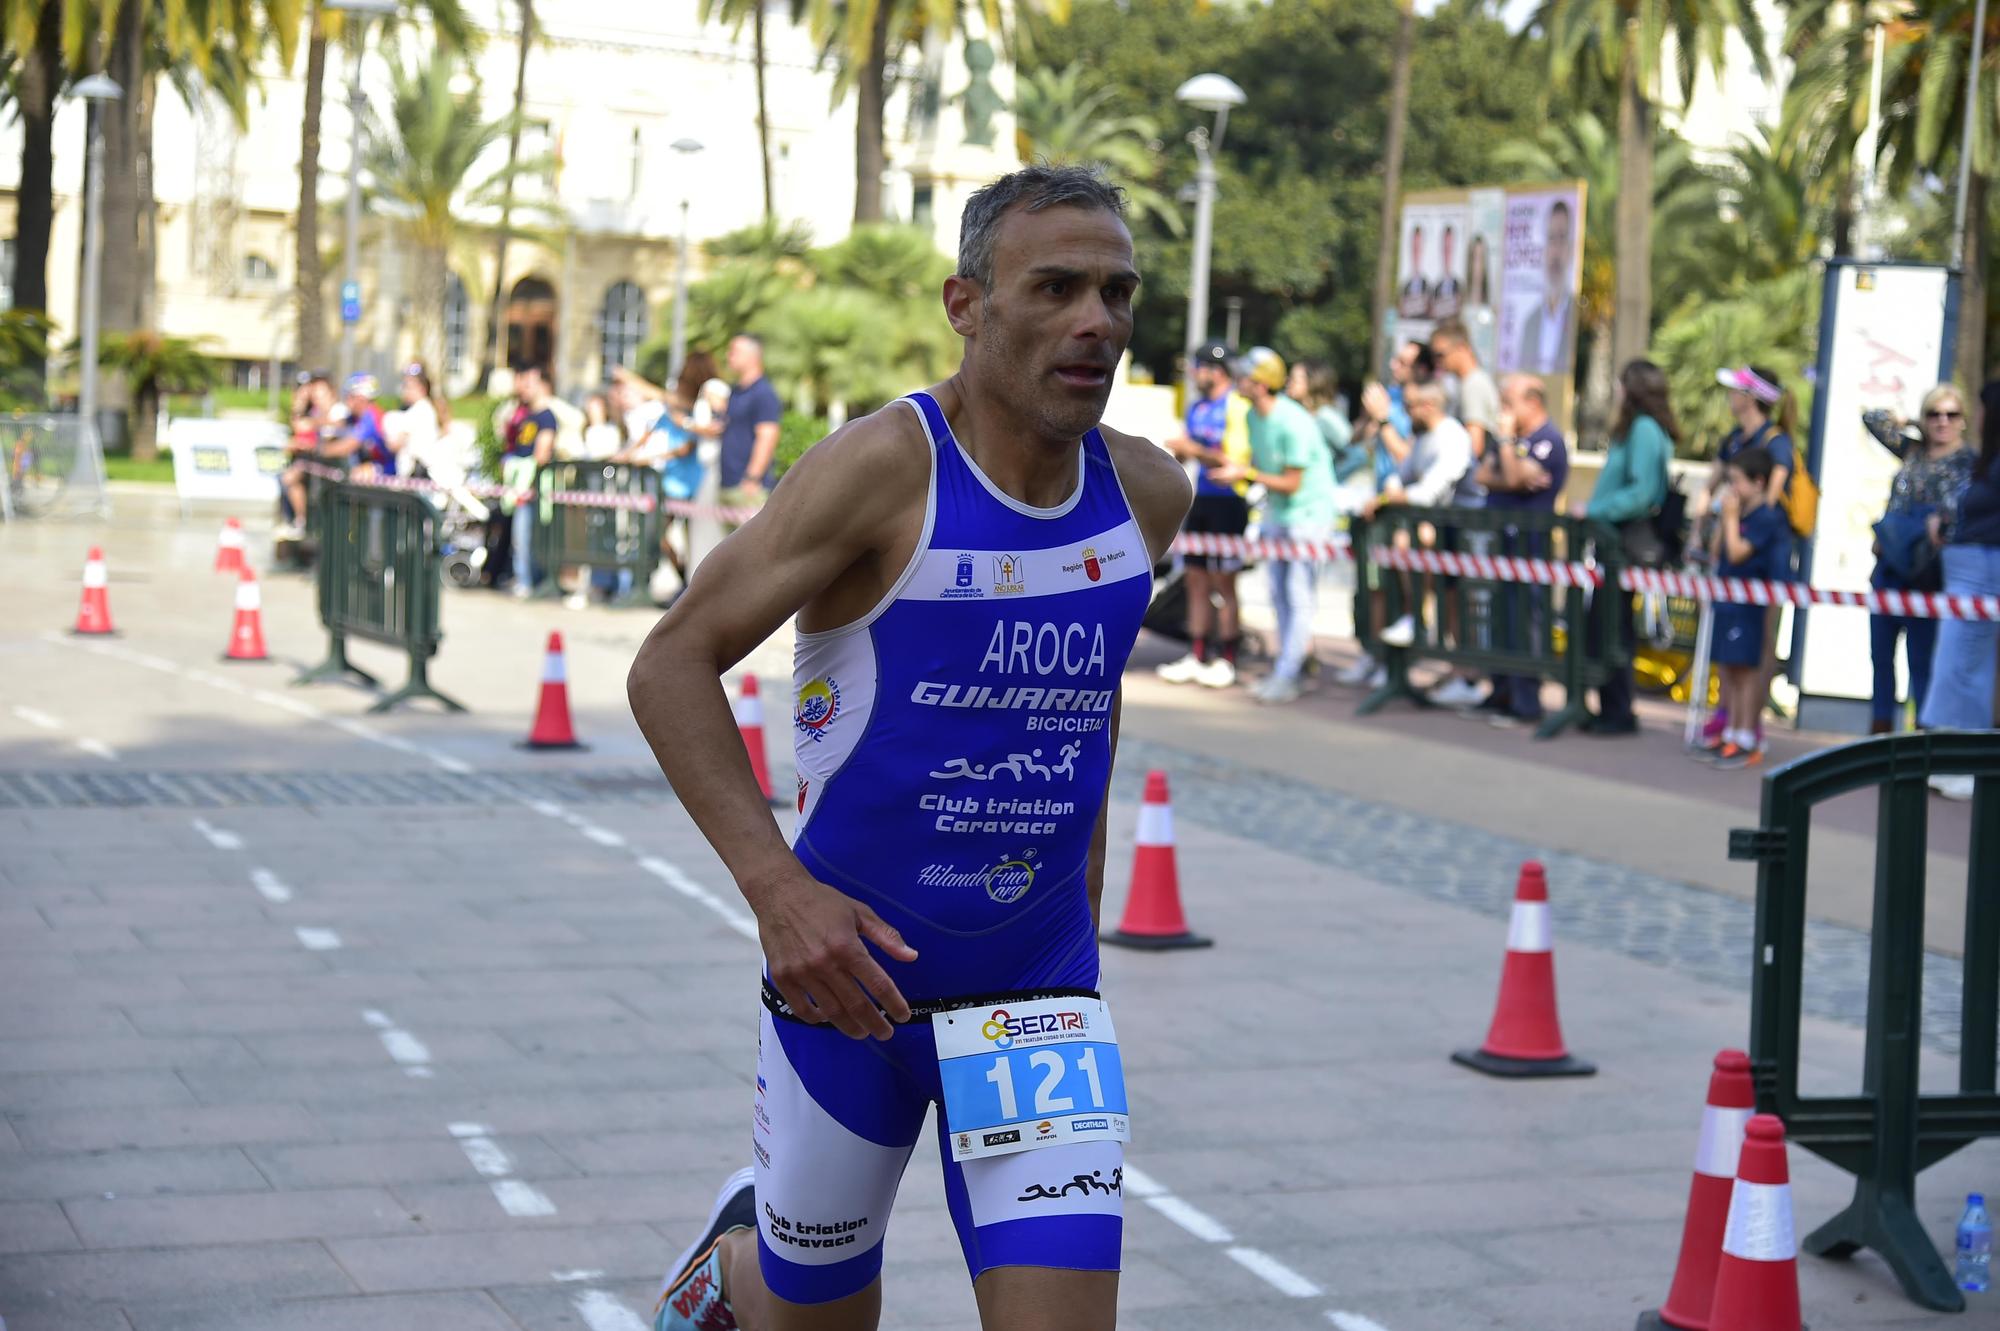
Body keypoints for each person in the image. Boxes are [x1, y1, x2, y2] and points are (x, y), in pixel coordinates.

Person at [629, 164, 1190, 1331]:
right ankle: (732, 1269)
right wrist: (778, 892)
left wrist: (1077, 926)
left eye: (1116, 292)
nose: (1096, 320)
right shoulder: (885, 468)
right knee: (809, 1318)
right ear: (966, 304)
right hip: (848, 990)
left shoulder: (1145, 492)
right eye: (1055, 288)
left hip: (1036, 997)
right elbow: (671, 661)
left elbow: (1085, 701)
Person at [1209, 346, 1338, 704]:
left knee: (1297, 596)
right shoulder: (1252, 416)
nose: (1237, 381)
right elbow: (1259, 470)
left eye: (1245, 377)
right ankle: (1287, 668)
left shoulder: (1293, 420)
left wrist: (1246, 474)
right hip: (1281, 515)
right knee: (1278, 594)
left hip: (1309, 516)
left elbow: (1292, 482)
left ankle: (1288, 672)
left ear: (1261, 384)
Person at [1695, 365, 1800, 749]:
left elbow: (1769, 500)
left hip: (1762, 560)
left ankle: (1748, 724)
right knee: (1731, 646)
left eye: (1737, 390)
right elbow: (1711, 486)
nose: (1730, 397)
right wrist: (1703, 528)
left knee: (1758, 646)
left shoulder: (1776, 443)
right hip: (1733, 549)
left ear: (1753, 396)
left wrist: (1738, 524)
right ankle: (1728, 718)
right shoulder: (1733, 440)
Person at [1575, 359, 1677, 735]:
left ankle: (1617, 709)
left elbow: (1642, 493)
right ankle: (1607, 705)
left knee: (1612, 626)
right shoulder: (1637, 429)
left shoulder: (1645, 430)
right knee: (1602, 624)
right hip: (1611, 539)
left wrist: (1594, 510)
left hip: (1623, 541)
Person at [1868, 383, 1973, 734]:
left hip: (1928, 572)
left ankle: (1920, 743)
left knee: (1921, 661)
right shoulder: (1913, 451)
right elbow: (1871, 418)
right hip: (1888, 569)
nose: (1942, 422)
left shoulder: (1968, 463)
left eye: (1950, 414)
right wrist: (1912, 419)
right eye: (1934, 414)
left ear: (1963, 420)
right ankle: (1879, 737)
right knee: (1881, 658)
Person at [1920, 378, 2000, 800]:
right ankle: (1952, 760)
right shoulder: (1985, 463)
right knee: (1955, 665)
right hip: (1964, 571)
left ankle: (1965, 766)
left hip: (1982, 575)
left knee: (1965, 666)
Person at [1157, 342, 1252, 689]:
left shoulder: (1237, 406)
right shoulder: (1196, 407)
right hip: (1204, 501)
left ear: (1218, 371)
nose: (1195, 373)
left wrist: (1193, 449)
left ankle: (1227, 656)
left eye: (1200, 366)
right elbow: (1188, 455)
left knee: (1224, 582)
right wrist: (1178, 455)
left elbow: (1232, 461)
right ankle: (1196, 654)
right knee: (1195, 578)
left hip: (1231, 502)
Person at [1477, 374, 1568, 726]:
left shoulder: (1548, 440)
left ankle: (1526, 701)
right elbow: (1483, 476)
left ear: (1532, 402)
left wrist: (1505, 449)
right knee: (1501, 619)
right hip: (1503, 545)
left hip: (1531, 549)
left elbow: (1514, 478)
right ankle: (1500, 691)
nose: (1503, 410)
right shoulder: (1515, 440)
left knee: (1526, 622)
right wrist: (1510, 468)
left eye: (1509, 403)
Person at [1696, 447, 1792, 770]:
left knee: (1746, 670)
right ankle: (1731, 730)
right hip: (1728, 598)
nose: (1732, 489)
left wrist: (1730, 518)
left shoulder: (1766, 517)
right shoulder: (1739, 515)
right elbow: (1719, 551)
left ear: (1758, 482)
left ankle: (1746, 735)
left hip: (1750, 605)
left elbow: (1738, 553)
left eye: (1737, 481)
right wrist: (1724, 521)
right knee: (1730, 667)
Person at [1363, 381, 1473, 650]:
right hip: (1443, 528)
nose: (1406, 413)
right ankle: (1416, 619)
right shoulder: (1424, 438)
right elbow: (1401, 476)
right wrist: (1389, 491)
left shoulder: (1452, 436)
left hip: (1464, 529)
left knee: (1456, 602)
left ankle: (1419, 621)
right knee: (1409, 545)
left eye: (1409, 407)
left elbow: (1428, 492)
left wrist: (1385, 499)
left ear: (1429, 406)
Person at [1426, 319, 1497, 708]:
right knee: (1454, 592)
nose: (1438, 364)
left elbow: (1473, 445)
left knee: (1469, 596)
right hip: (1461, 507)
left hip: (1472, 508)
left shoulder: (1473, 384)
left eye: (1441, 354)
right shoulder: (1466, 385)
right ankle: (1461, 668)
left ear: (1460, 347)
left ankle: (1470, 673)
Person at [489, 364, 557, 596]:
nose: (524, 388)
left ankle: (527, 581)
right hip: (517, 486)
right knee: (518, 536)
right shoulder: (524, 416)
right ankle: (520, 577)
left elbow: (542, 453)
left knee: (525, 537)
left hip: (530, 489)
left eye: (529, 383)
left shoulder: (546, 417)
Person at [717, 333, 784, 523]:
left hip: (747, 488)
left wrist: (752, 479)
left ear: (753, 356)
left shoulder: (763, 393)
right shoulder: (735, 392)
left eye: (734, 351)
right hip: (728, 483)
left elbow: (768, 436)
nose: (729, 356)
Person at [1518, 199, 1575, 374]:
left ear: (1571, 247)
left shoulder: (1577, 313)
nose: (1556, 252)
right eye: (1551, 239)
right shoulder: (1530, 322)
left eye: (1562, 238)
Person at [385, 363, 447, 478]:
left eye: (408, 386)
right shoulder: (426, 408)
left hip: (417, 474)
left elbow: (395, 444)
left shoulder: (419, 410)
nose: (404, 390)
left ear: (422, 389)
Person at [339, 374, 393, 480]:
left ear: (361, 397)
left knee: (358, 474)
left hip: (389, 470)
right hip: (376, 468)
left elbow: (348, 446)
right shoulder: (356, 416)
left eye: (350, 396)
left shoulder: (372, 416)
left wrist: (319, 449)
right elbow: (337, 423)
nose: (347, 400)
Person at [579, 391, 624, 461]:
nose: (593, 411)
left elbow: (611, 452)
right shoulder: (586, 430)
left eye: (597, 407)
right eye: (590, 408)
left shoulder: (612, 430)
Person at [1398, 226, 1431, 319]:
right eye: (1414, 247)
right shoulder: (1404, 285)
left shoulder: (1428, 285)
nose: (1416, 252)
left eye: (1418, 247)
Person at [1432, 225, 1462, 320]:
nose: (1447, 253)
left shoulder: (1459, 285)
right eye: (1445, 248)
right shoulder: (1435, 286)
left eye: (1449, 248)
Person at [1465, 233, 1492, 308]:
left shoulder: (1491, 298)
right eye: (1475, 258)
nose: (1478, 265)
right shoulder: (1461, 297)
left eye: (1481, 258)